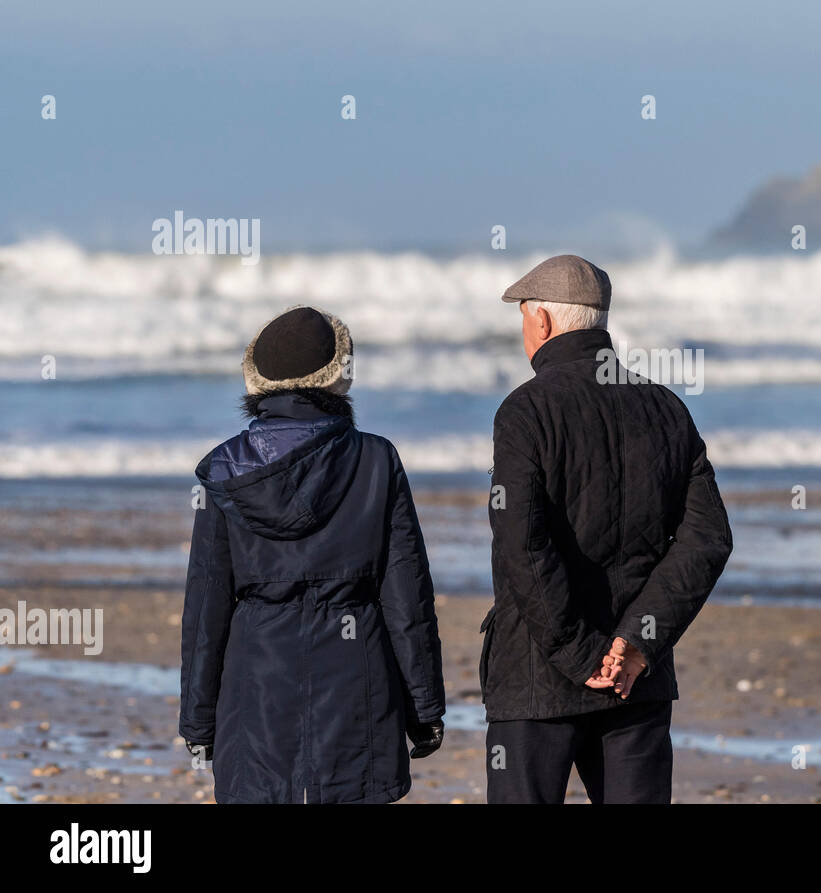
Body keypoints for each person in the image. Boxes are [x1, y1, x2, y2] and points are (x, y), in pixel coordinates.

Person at [482, 254, 733, 803]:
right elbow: (707, 539)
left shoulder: (525, 411)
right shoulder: (667, 408)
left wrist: (582, 654)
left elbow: (522, 546)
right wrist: (638, 640)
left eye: (524, 317)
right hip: (635, 679)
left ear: (541, 322)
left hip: (538, 679)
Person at [180, 305, 445, 803]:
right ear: (339, 377)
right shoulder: (376, 458)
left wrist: (198, 718)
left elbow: (206, 605)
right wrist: (425, 709)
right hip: (355, 672)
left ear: (257, 382)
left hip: (256, 676)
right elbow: (407, 596)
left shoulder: (226, 470)